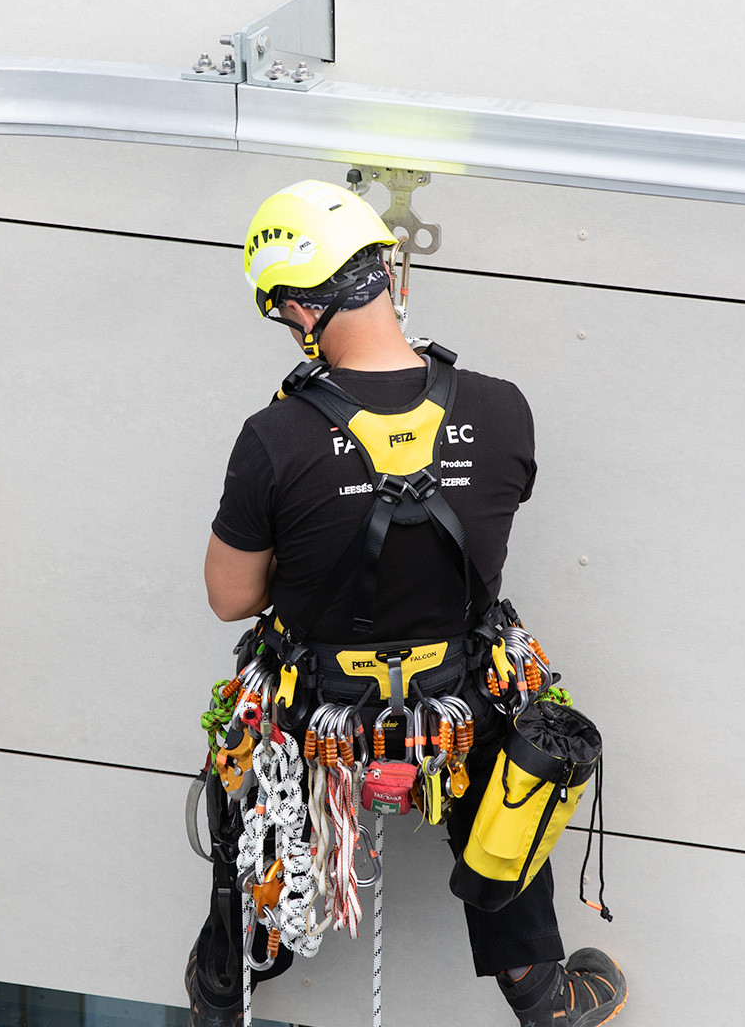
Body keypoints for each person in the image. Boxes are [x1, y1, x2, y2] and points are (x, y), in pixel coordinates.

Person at [184, 180, 626, 1027]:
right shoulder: (501, 408)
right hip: (460, 696)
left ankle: (230, 970)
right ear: (387, 275)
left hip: (321, 710)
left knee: (251, 774)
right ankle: (539, 988)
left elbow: (229, 597)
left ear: (299, 309)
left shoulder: (275, 437)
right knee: (513, 738)